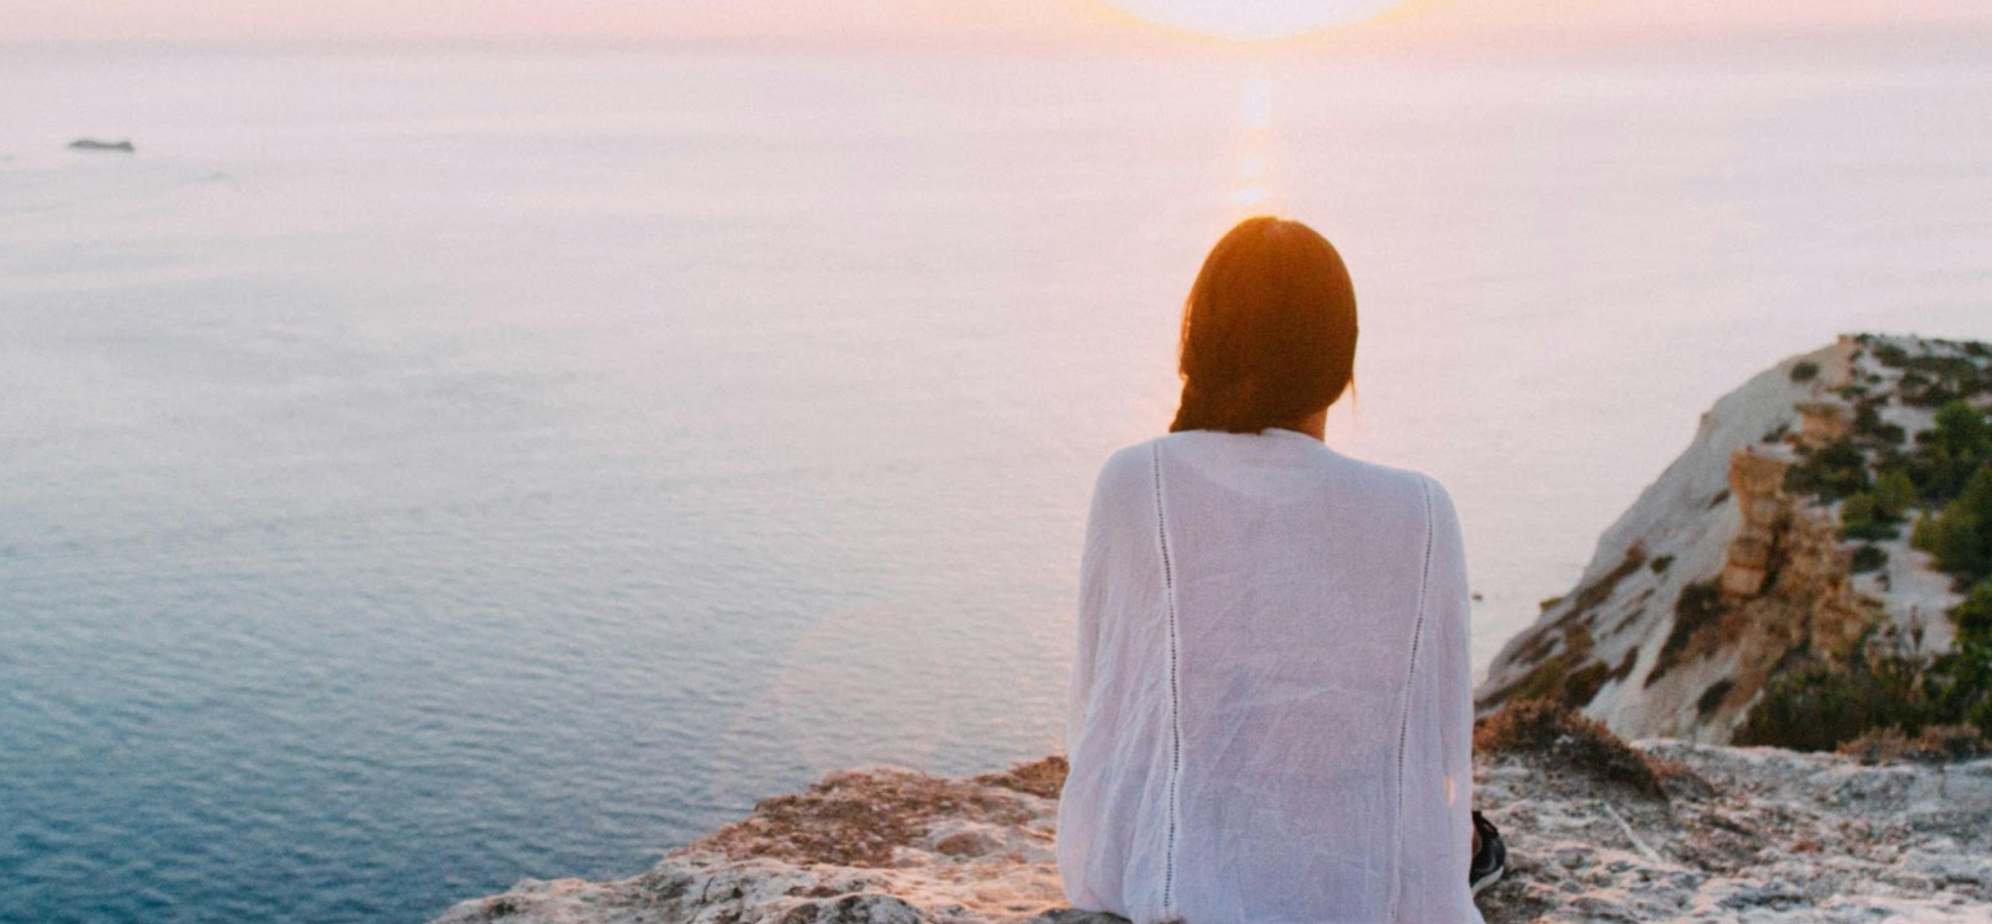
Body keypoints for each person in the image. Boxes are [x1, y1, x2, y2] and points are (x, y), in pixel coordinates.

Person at [1055, 216, 1501, 924]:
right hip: (1355, 894)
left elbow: (1105, 728)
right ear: (1340, 363)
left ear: (1197, 345)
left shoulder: (1136, 483)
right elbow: (1435, 746)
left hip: (1178, 894)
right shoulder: (1422, 510)